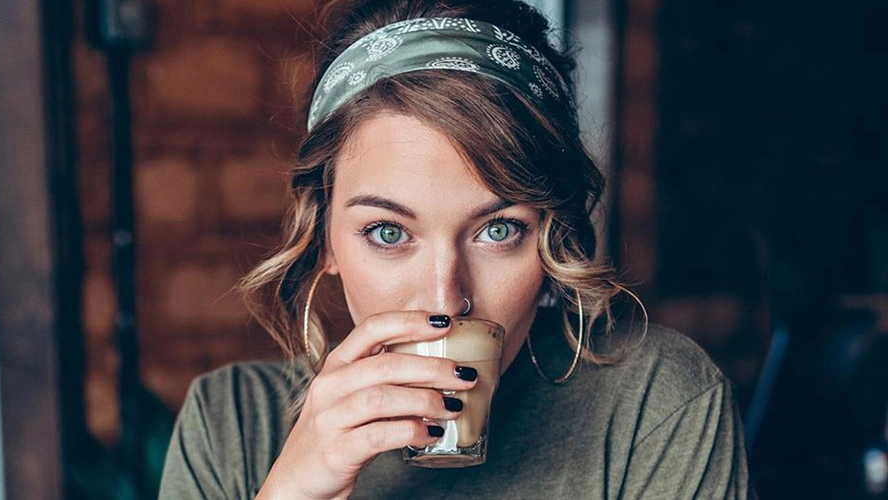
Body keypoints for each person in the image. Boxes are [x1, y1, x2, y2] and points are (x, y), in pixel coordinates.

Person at [159, 0, 755, 498]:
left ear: (552, 240)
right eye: (388, 233)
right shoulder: (231, 427)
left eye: (498, 230)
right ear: (324, 239)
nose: (447, 297)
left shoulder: (653, 404)